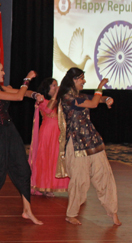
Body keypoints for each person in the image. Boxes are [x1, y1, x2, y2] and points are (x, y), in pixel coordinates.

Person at [0, 59, 43, 227]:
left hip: (9, 132)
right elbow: (19, 96)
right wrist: (27, 79)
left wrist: (34, 94)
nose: (4, 73)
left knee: (23, 169)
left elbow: (22, 93)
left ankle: (27, 209)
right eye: (1, 70)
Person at [56, 68, 121, 226]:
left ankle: (113, 213)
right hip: (77, 144)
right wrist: (100, 86)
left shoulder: (79, 96)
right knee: (80, 180)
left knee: (104, 176)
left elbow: (96, 99)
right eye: (82, 79)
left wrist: (106, 99)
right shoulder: (67, 98)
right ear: (74, 80)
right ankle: (71, 214)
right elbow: (92, 103)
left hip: (93, 141)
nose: (84, 81)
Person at [28, 78, 69, 196]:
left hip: (57, 132)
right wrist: (56, 94)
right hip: (47, 133)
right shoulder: (41, 100)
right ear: (47, 88)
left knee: (55, 159)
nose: (56, 87)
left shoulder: (58, 101)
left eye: (57, 85)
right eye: (53, 85)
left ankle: (50, 186)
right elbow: (48, 109)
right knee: (46, 158)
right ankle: (43, 186)